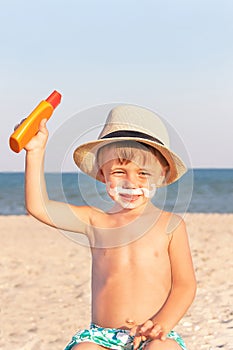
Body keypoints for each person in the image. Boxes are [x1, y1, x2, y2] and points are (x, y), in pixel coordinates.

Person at [24, 104, 196, 350]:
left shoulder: (170, 225)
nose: (131, 181)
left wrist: (161, 324)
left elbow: (185, 285)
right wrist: (35, 151)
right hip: (101, 337)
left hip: (154, 334)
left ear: (162, 173)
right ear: (103, 175)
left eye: (143, 173)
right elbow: (38, 206)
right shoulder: (96, 221)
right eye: (118, 171)